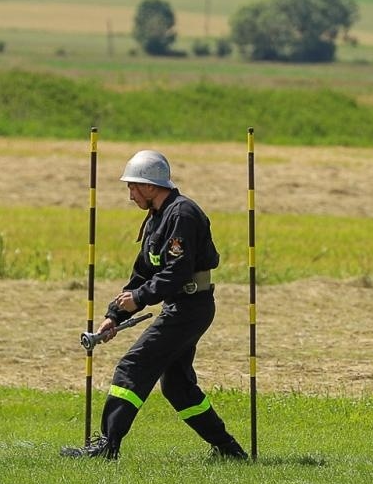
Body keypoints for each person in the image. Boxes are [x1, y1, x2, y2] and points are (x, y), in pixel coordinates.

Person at [62, 149, 248, 461]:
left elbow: (177, 272)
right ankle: (228, 450)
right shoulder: (157, 219)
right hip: (181, 307)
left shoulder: (181, 215)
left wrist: (140, 297)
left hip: (190, 307)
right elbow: (143, 274)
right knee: (177, 385)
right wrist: (115, 315)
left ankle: (108, 446)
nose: (130, 194)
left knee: (133, 367)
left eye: (132, 187)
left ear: (150, 187)